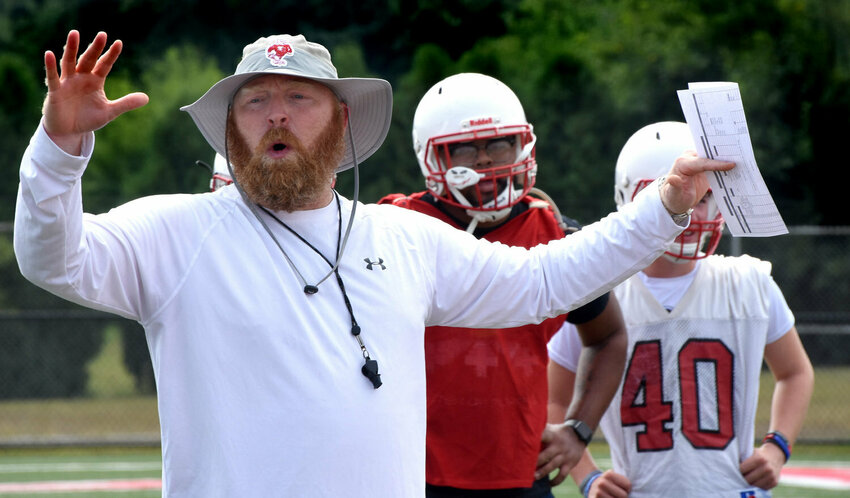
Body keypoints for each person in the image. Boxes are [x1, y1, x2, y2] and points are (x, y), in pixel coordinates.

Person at [13, 29, 734, 497]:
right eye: (255, 101)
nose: (277, 114)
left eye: (299, 98)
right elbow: (53, 258)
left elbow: (542, 279)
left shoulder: (401, 237)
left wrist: (666, 205)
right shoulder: (175, 231)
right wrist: (58, 151)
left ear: (341, 122)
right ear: (231, 129)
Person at [378, 73, 627, 498]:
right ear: (430, 157)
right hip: (409, 472)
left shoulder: (555, 234)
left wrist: (578, 429)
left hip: (521, 474)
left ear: (521, 145)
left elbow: (609, 337)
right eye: (465, 148)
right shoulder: (395, 231)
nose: (485, 160)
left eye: (498, 144)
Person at [546, 121, 815, 498]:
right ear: (629, 201)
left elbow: (795, 371)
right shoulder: (598, 292)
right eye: (668, 192)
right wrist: (588, 475)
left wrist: (777, 446)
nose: (688, 206)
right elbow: (553, 399)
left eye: (703, 196)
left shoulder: (748, 283)